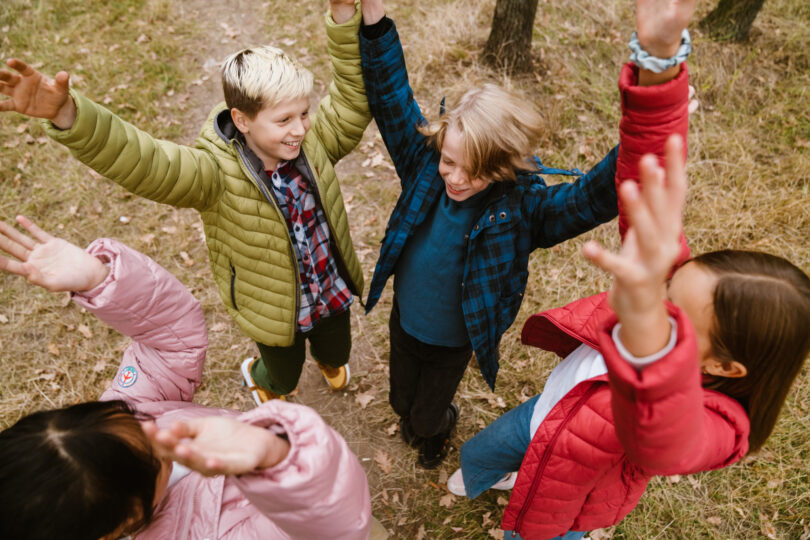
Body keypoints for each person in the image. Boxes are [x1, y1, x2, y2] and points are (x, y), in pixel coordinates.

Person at [445, 1, 810, 538]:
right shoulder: (667, 276)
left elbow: (660, 438)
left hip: (573, 495)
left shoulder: (720, 427)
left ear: (727, 366)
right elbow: (648, 167)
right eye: (667, 288)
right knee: (486, 449)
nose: (654, 300)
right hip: (548, 410)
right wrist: (659, 57)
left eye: (673, 316)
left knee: (532, 531)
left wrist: (646, 332)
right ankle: (484, 475)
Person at [0, 0, 370, 404]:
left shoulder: (315, 144)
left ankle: (330, 359)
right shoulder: (213, 175)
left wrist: (343, 17)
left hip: (329, 290)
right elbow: (144, 161)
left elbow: (352, 97)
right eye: (283, 120)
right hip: (273, 309)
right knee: (284, 373)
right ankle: (262, 378)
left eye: (303, 113)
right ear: (242, 119)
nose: (299, 128)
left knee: (337, 347)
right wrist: (70, 114)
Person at [355, 0, 620, 468]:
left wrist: (643, 136)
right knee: (400, 401)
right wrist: (373, 17)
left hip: (452, 343)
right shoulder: (423, 166)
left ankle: (437, 427)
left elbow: (586, 200)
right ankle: (416, 418)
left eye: (474, 171)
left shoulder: (522, 209)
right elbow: (391, 97)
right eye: (450, 161)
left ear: (501, 167)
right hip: (404, 322)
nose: (456, 178)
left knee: (425, 413)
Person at [0, 215, 373, 540]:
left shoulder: (117, 422)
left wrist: (100, 279)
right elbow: (333, 531)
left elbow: (172, 342)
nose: (157, 429)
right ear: (129, 517)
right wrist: (277, 459)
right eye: (154, 453)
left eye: (136, 419)